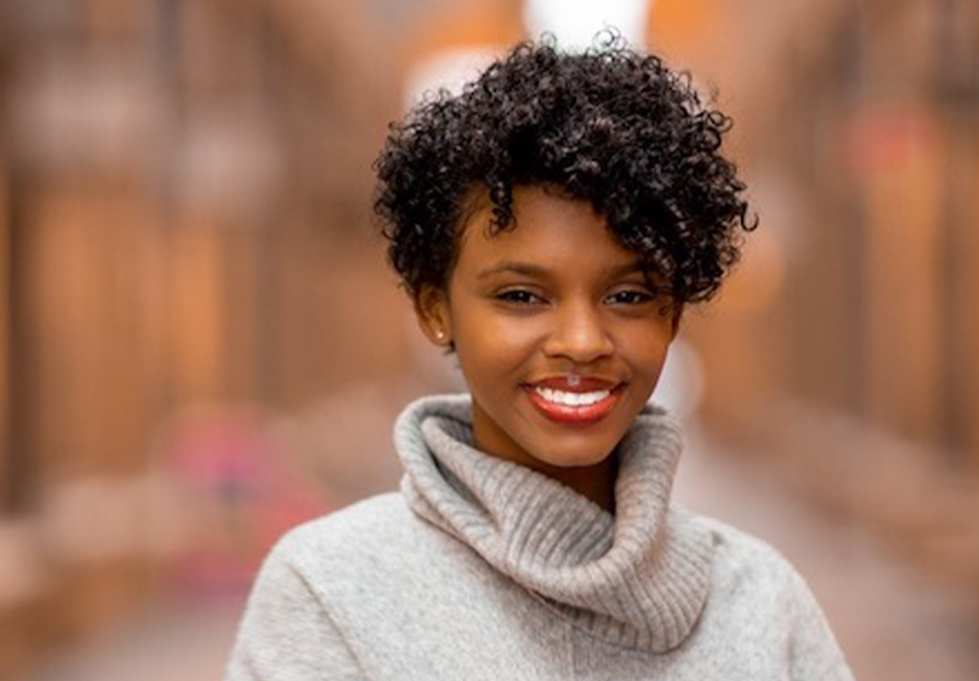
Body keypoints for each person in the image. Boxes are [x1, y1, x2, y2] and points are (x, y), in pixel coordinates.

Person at [225, 34, 854, 681]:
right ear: (433, 307)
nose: (582, 340)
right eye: (521, 295)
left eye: (629, 294)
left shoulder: (765, 608)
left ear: (674, 312)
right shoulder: (330, 595)